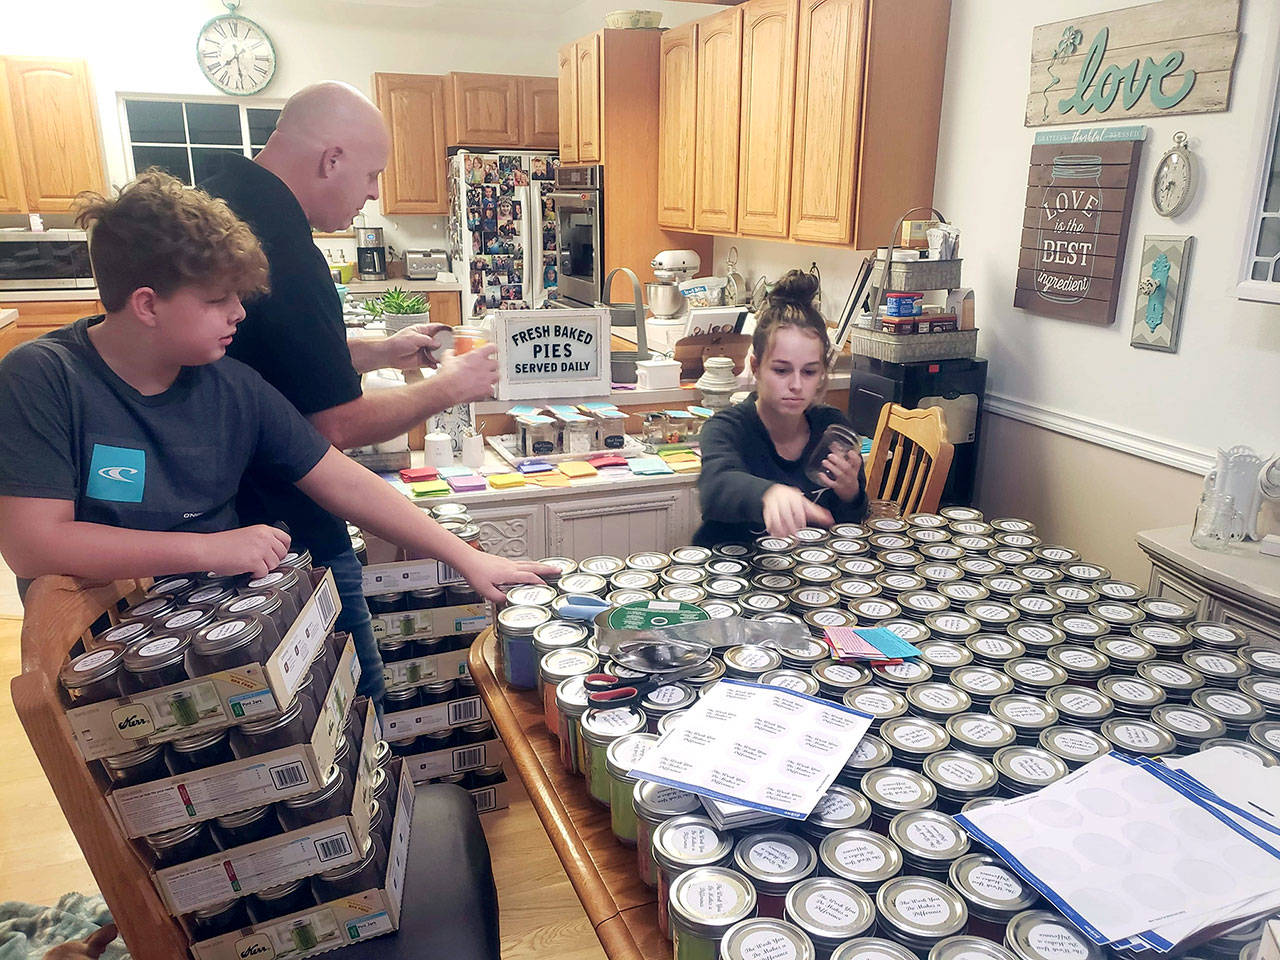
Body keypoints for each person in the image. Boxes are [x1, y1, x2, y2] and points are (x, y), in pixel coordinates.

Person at [0, 171, 550, 610]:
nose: (238, 313)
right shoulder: (44, 379)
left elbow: (342, 481)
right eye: (218, 299)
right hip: (102, 651)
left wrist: (468, 559)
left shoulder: (231, 384)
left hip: (215, 627)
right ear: (146, 304)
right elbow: (31, 544)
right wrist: (207, 549)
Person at [201, 81, 504, 709]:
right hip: (285, 525)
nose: (373, 193)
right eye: (370, 174)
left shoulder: (223, 206)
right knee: (353, 704)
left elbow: (285, 365)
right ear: (330, 159)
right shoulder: (281, 249)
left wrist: (376, 351)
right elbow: (332, 426)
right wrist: (453, 385)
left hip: (237, 515)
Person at [694, 270, 867, 545]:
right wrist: (768, 493)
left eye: (809, 372)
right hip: (735, 575)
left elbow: (845, 526)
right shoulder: (727, 427)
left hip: (806, 574)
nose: (796, 385)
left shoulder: (831, 428)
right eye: (781, 370)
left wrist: (851, 494)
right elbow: (715, 488)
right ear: (755, 367)